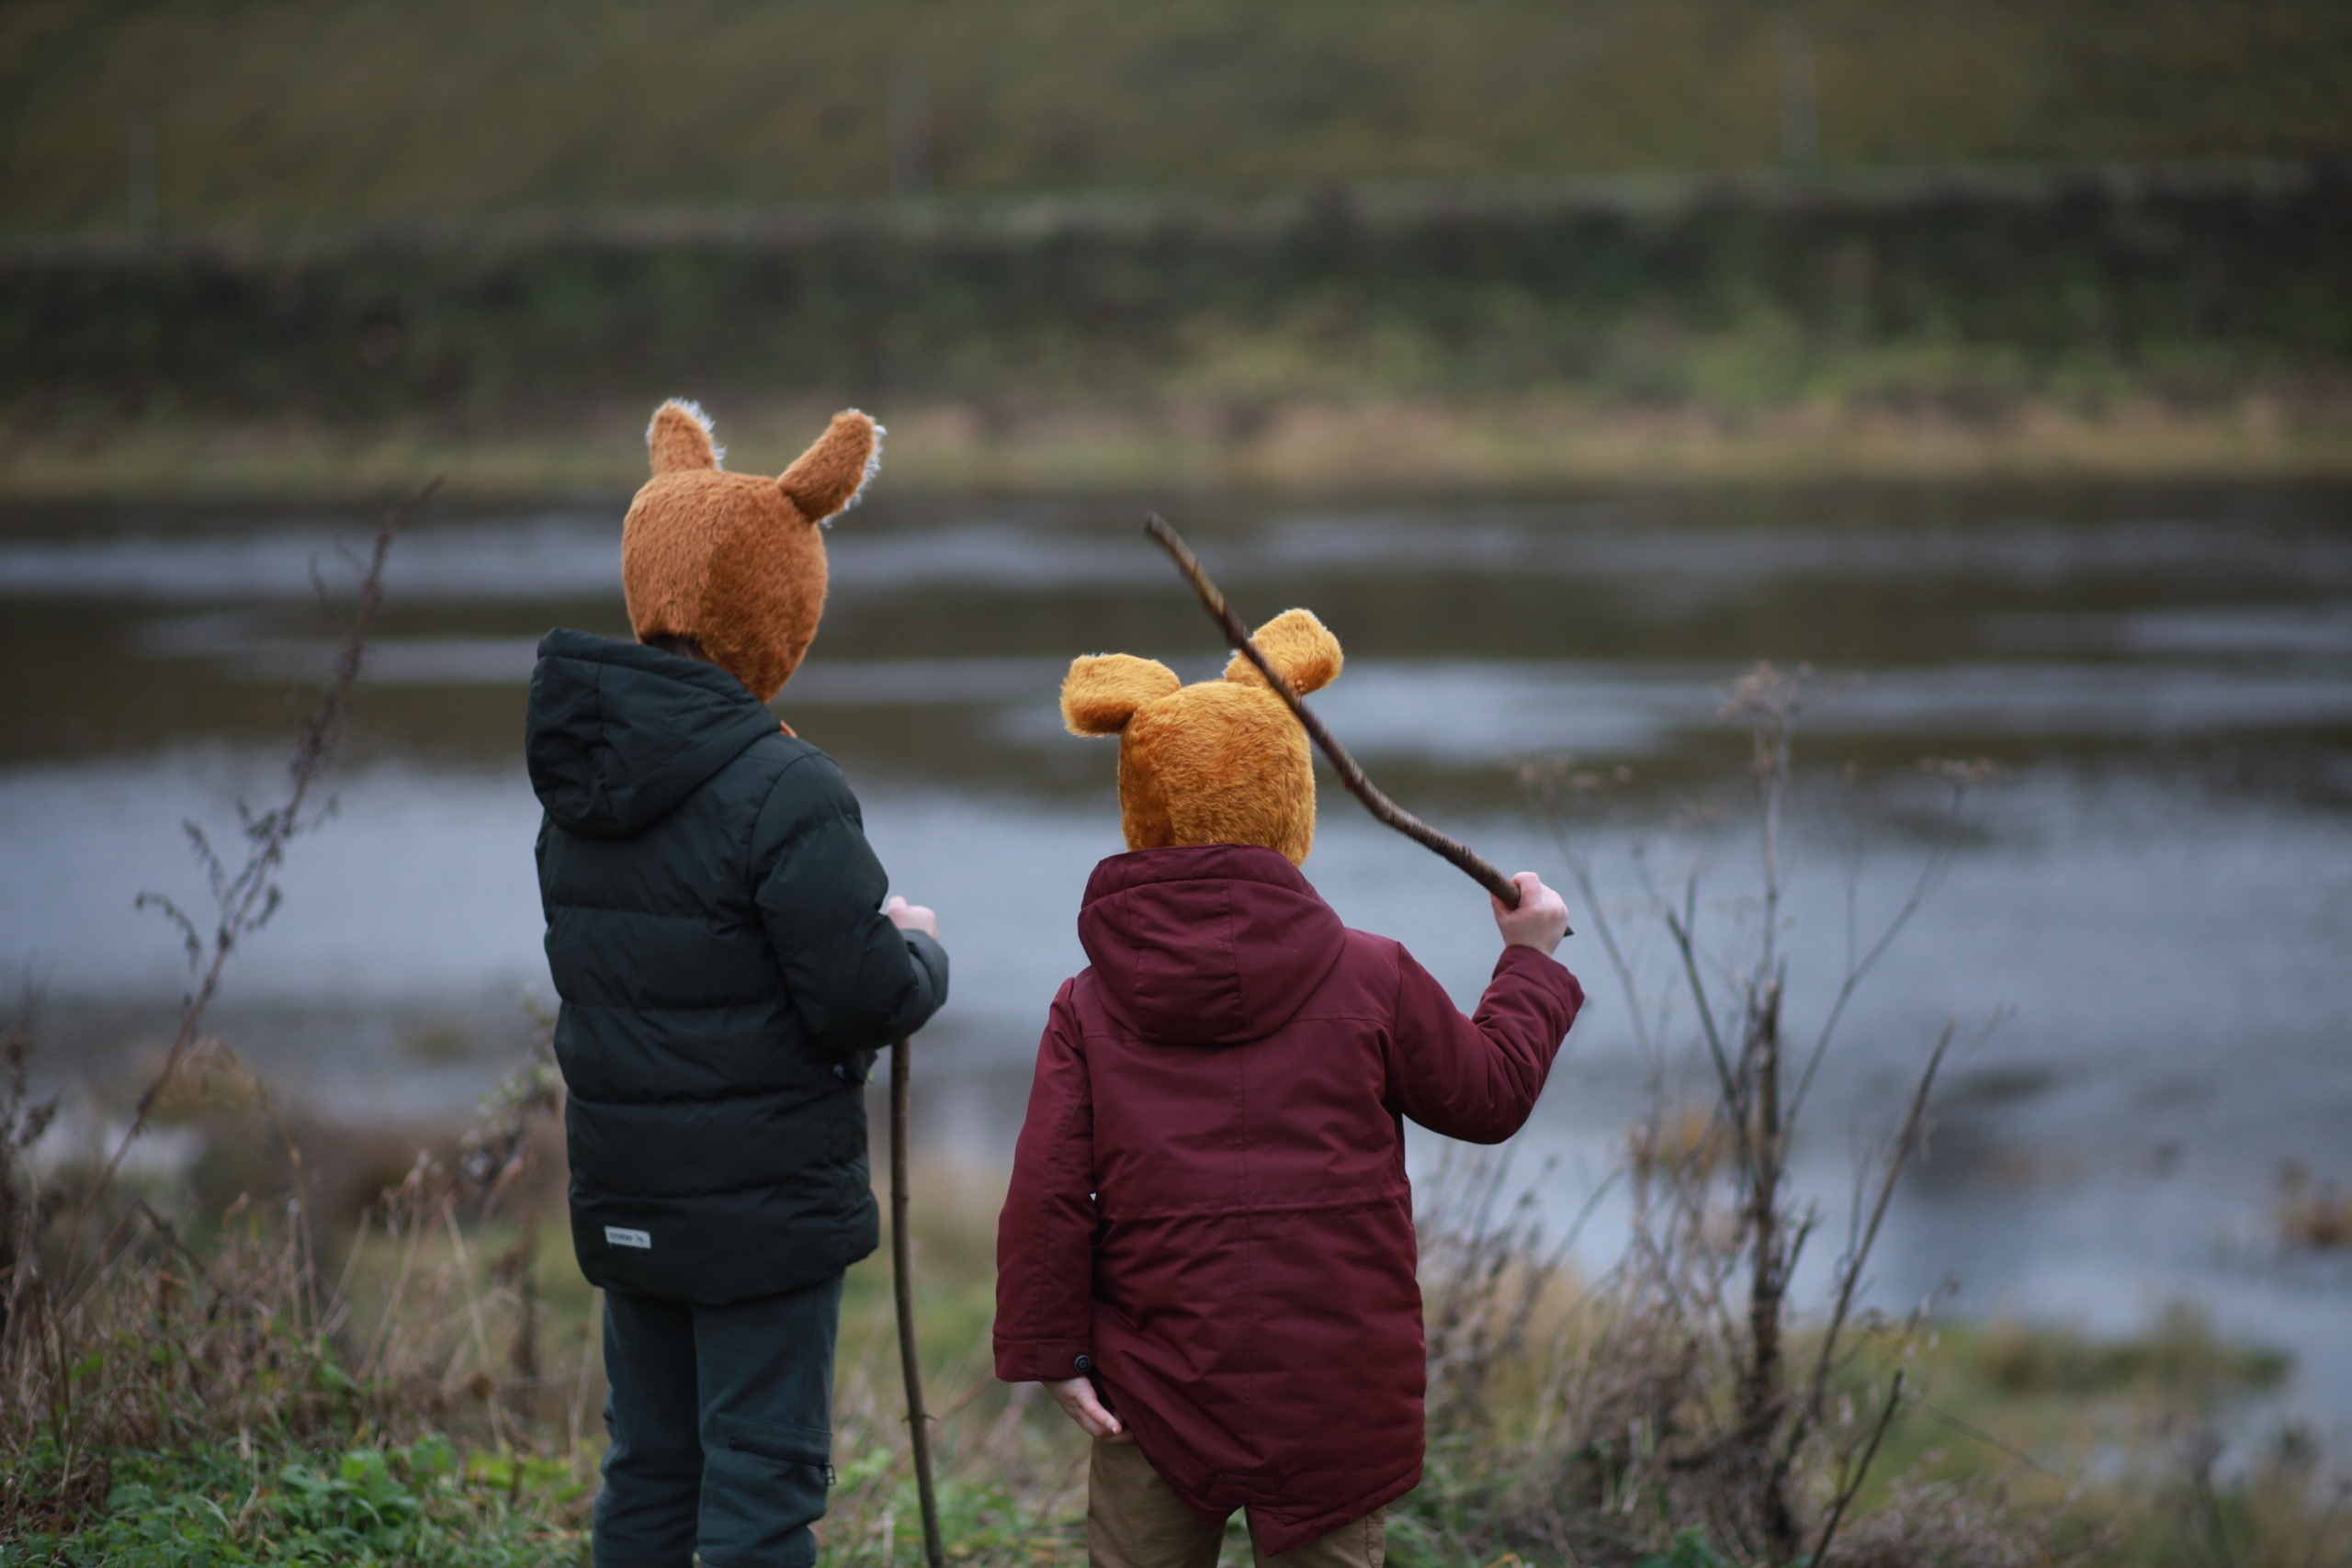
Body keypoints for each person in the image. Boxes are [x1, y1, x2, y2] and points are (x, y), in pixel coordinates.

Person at [995, 610, 1582, 1568]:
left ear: (1142, 805)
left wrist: (1046, 1351)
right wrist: (1527, 964)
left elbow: (1048, 1196)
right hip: (1335, 1390)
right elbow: (1489, 1098)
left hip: (1155, 1381)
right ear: (1290, 798)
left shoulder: (1087, 1005)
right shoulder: (1373, 976)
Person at [528, 401, 946, 1568]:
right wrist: (915, 948)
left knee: (650, 1475)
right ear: (781, 602)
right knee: (761, 1494)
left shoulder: (583, 784)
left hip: (627, 1188)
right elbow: (861, 995)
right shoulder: (783, 785)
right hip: (758, 1210)